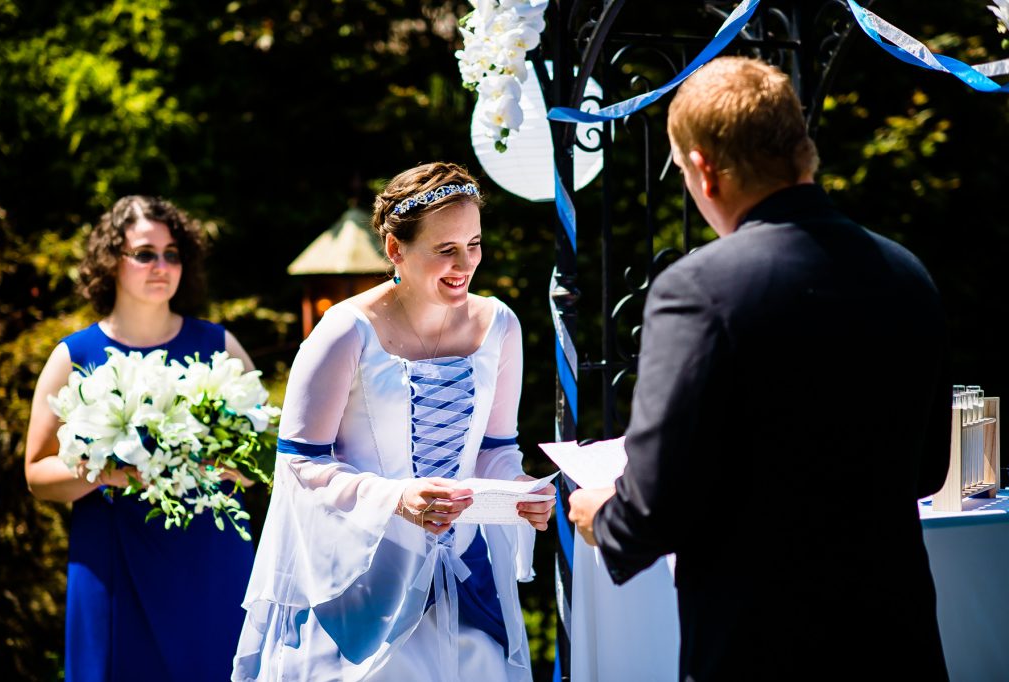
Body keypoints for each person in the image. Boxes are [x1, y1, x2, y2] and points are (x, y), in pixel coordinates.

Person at [568, 57, 951, 680]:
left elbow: (654, 508)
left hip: (763, 644)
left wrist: (600, 513)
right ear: (803, 153)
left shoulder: (699, 288)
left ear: (704, 170)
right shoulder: (907, 273)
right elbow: (928, 468)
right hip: (897, 642)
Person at [233, 162, 554, 682]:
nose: (465, 263)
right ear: (395, 249)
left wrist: (519, 491)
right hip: (362, 577)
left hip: (466, 579)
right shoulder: (344, 331)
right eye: (445, 249)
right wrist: (396, 499)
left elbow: (495, 449)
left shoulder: (501, 325)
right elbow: (299, 467)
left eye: (473, 244)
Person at [24, 195, 257, 681]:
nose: (162, 266)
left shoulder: (220, 346)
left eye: (173, 254)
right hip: (113, 557)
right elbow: (37, 475)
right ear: (111, 260)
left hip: (209, 560)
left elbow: (260, 461)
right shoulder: (74, 356)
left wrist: (215, 468)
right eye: (145, 253)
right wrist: (110, 472)